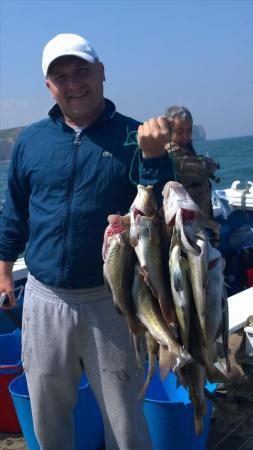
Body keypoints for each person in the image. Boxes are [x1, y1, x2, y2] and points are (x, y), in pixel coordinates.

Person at [0, 33, 174, 450]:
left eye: (82, 71)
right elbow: (15, 211)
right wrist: (5, 269)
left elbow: (164, 211)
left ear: (101, 72)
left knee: (125, 415)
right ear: (49, 87)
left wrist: (153, 159)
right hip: (43, 298)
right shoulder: (31, 140)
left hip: (113, 300)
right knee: (47, 409)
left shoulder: (136, 137)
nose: (74, 83)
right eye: (61, 76)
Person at [164, 105, 219, 219]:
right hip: (186, 223)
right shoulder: (171, 150)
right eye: (179, 131)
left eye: (189, 130)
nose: (185, 136)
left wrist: (201, 159)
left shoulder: (185, 146)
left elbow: (195, 160)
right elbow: (200, 169)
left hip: (200, 217)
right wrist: (211, 163)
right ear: (169, 130)